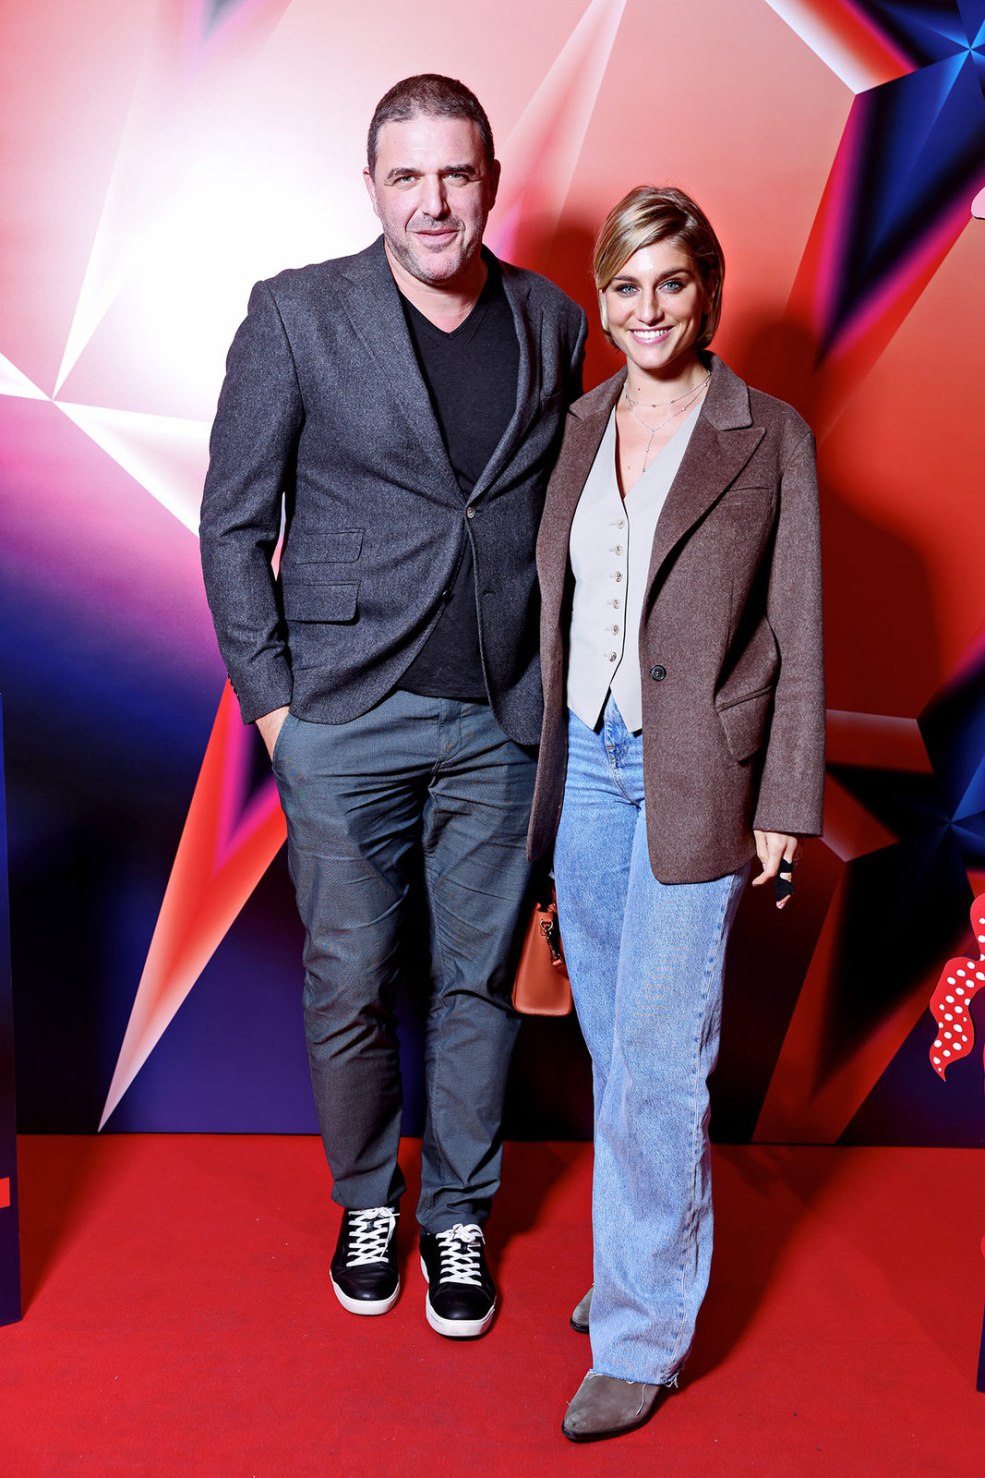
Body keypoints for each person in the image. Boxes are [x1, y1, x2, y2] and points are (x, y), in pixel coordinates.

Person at [199, 74, 586, 1340]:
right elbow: (232, 523)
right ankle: (368, 1199)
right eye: (407, 175)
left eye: (455, 173)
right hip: (343, 713)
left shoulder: (552, 321)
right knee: (351, 979)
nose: (433, 200)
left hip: (501, 717)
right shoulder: (297, 313)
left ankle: (458, 1214)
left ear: (490, 182)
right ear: (371, 186)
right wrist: (277, 713)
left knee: (477, 982)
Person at [528, 186, 824, 1439]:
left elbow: (798, 624)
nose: (646, 308)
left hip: (699, 772)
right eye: (624, 286)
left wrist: (784, 799)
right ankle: (632, 1266)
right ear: (602, 302)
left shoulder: (768, 433)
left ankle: (643, 1330)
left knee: (659, 1052)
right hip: (586, 766)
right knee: (615, 1043)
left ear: (705, 293)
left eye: (670, 282)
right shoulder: (579, 422)